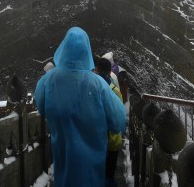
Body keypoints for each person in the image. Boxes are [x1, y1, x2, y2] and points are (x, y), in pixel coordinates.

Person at [34, 27, 127, 187]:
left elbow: (41, 108)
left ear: (63, 49)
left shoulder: (47, 81)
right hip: (92, 172)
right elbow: (118, 122)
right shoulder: (98, 84)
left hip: (63, 166)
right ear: (86, 51)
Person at [95, 57, 124, 186]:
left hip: (95, 139)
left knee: (97, 172)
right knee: (109, 173)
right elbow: (120, 116)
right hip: (112, 139)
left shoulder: (91, 89)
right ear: (109, 72)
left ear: (96, 70)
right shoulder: (115, 91)